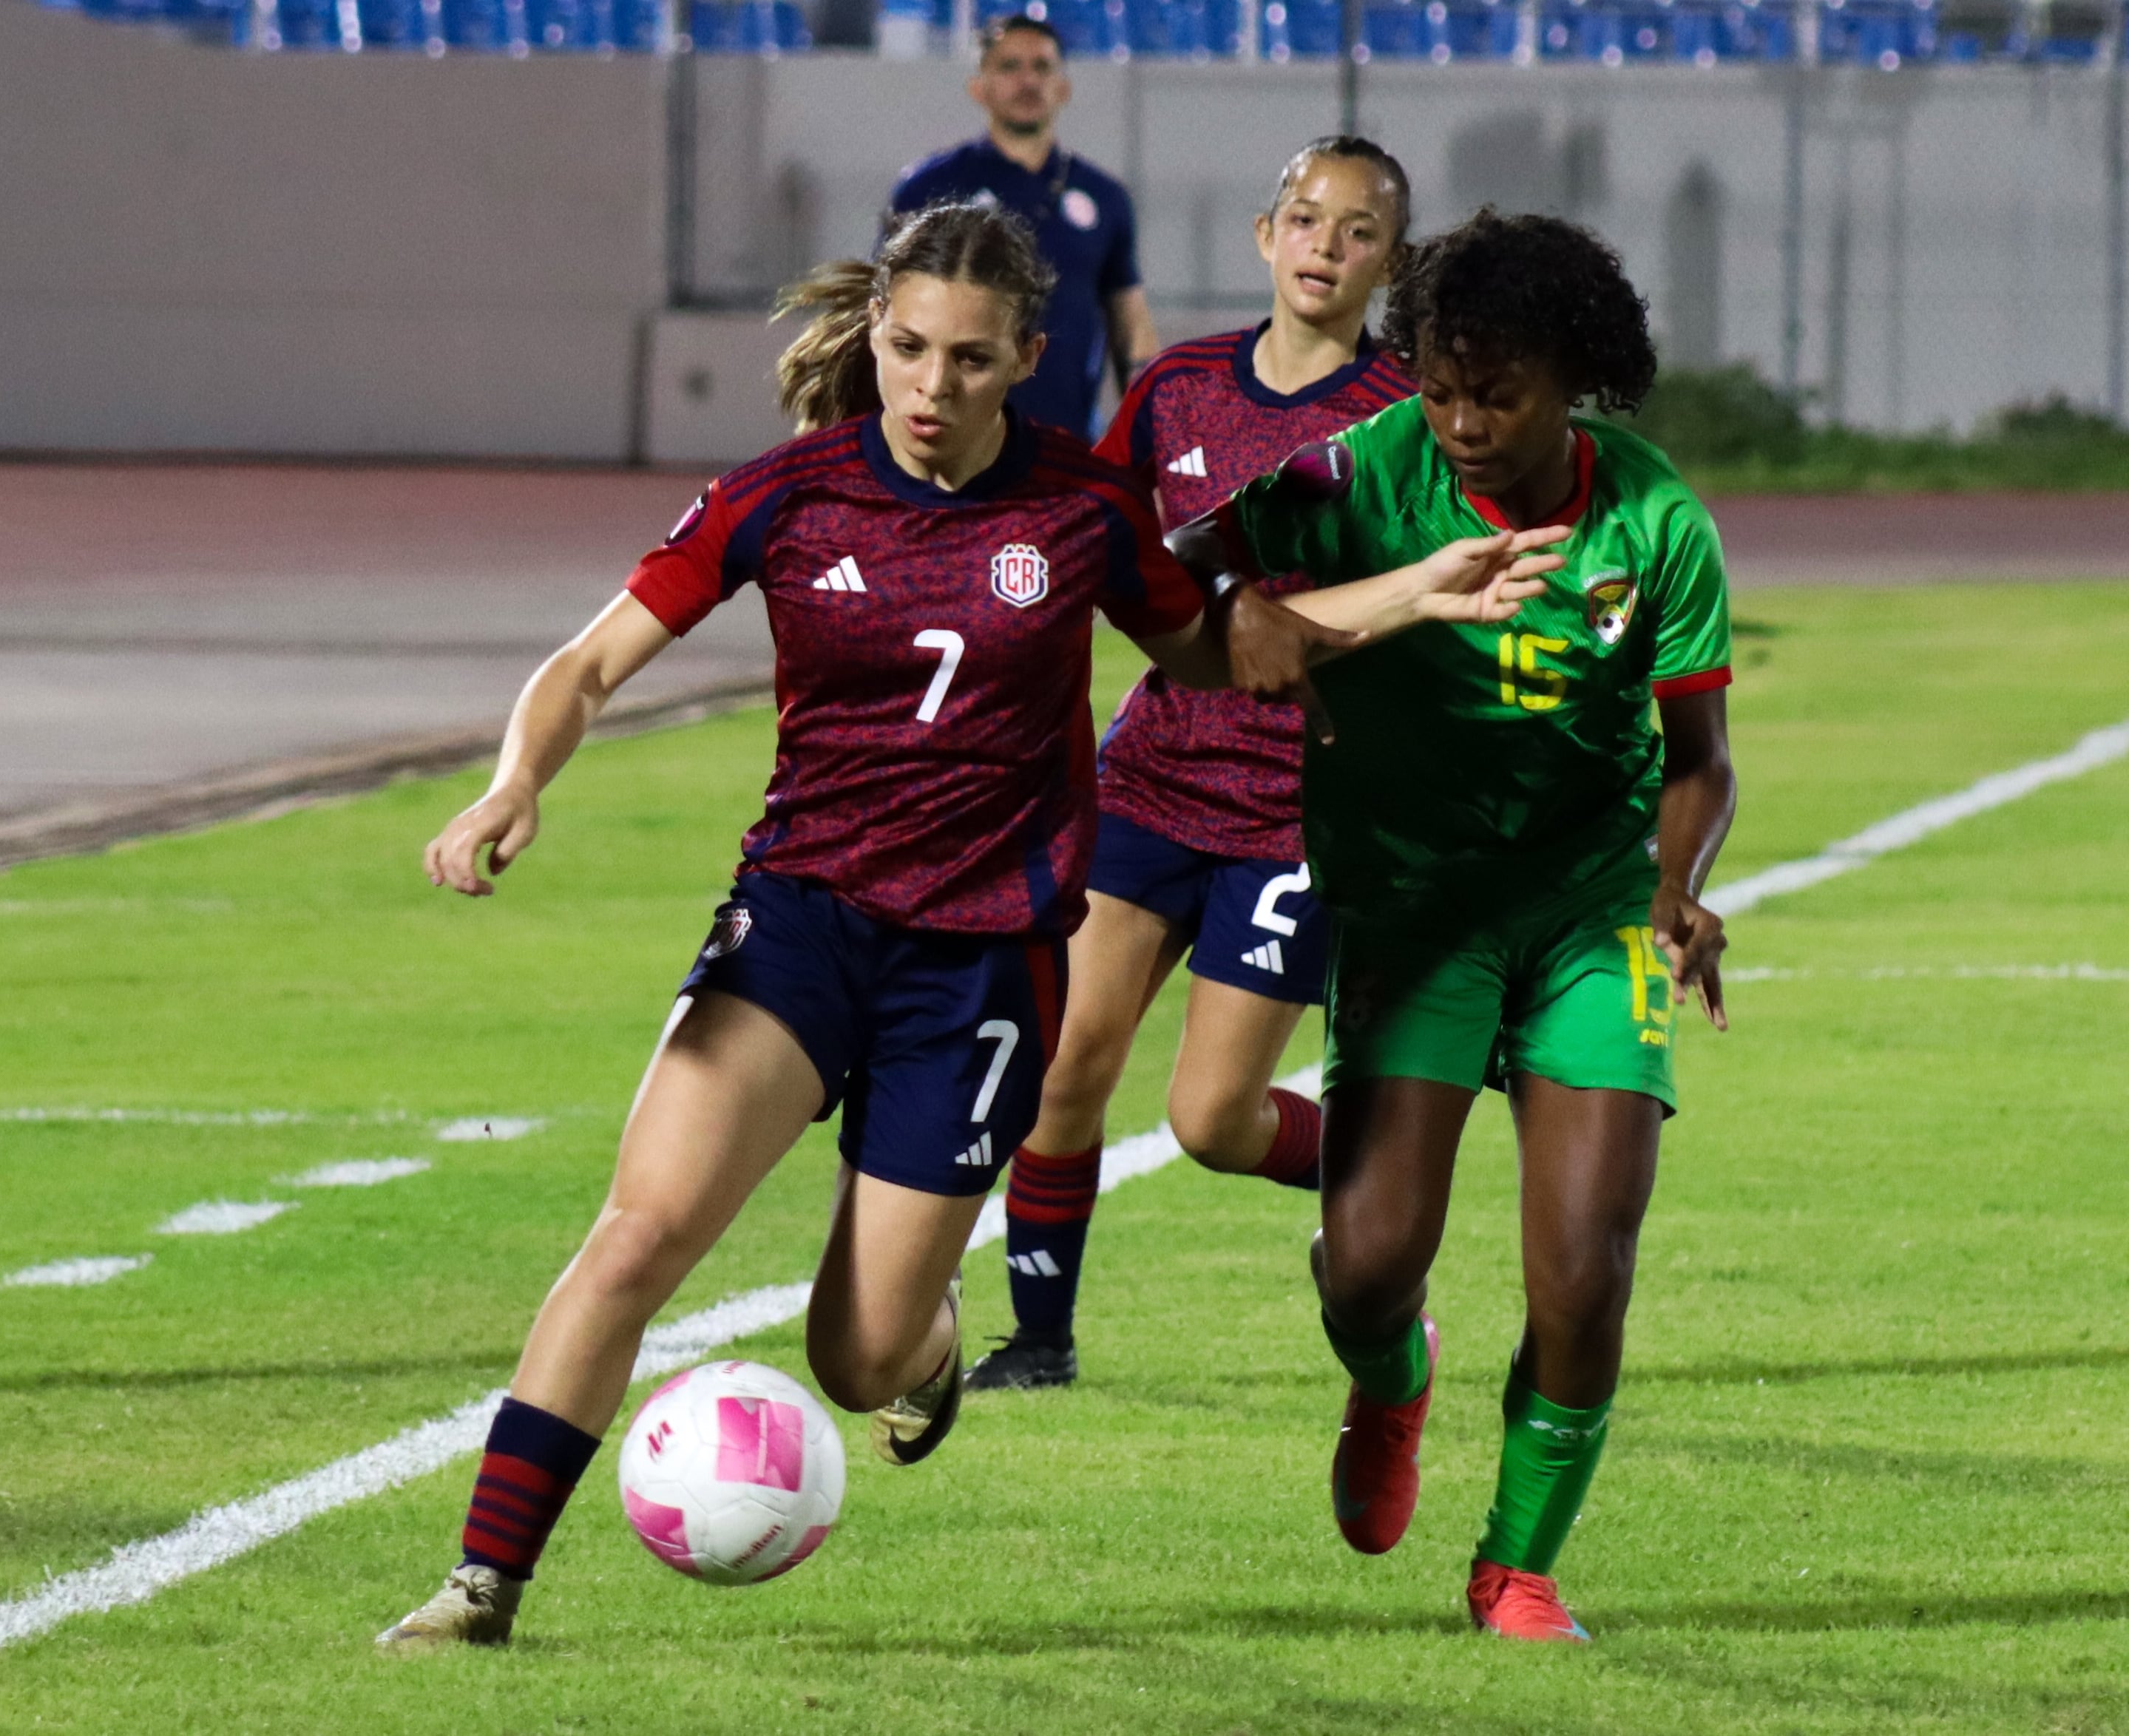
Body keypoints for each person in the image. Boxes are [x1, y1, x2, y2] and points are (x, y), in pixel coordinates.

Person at [375, 201, 1562, 1650]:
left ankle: (921, 1341)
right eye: (907, 350)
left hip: (981, 968)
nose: (930, 389)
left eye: (969, 360)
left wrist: (1414, 590)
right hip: (798, 925)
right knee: (637, 1233)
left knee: (854, 1353)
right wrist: (514, 782)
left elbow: (1232, 647)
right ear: (872, 336)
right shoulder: (784, 495)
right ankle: (479, 1585)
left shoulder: (1078, 507)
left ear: (1027, 362)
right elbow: (588, 662)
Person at [1170, 209, 1739, 1644]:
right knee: (1365, 1261)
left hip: (1586, 914)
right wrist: (1244, 616)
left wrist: (1675, 887)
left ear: (1574, 381)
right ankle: (1388, 1378)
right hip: (1413, 912)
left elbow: (1694, 758)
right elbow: (1179, 558)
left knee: (1581, 1266)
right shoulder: (1358, 477)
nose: (1463, 421)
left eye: (1498, 394)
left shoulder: (1653, 520)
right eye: (1436, 387)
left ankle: (1515, 1566)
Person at [968, 136, 1418, 1393]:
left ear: (1388, 261)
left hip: (1299, 807)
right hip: (1154, 775)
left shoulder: (1404, 416)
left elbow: (1433, 595)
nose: (1326, 245)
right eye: (1307, 219)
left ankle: (1385, 1186)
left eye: (1359, 229)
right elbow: (1092, 546)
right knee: (1063, 1064)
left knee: (1212, 1120)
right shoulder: (1174, 388)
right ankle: (1041, 1342)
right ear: (1265, 234)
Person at [887, 16, 1153, 438]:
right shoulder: (927, 188)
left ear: (1063, 88)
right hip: (952, 448)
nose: (1027, 80)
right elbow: (882, 312)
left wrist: (1151, 435)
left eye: (1042, 67)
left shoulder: (1105, 197)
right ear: (979, 87)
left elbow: (1130, 323)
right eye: (1010, 67)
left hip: (1068, 446)